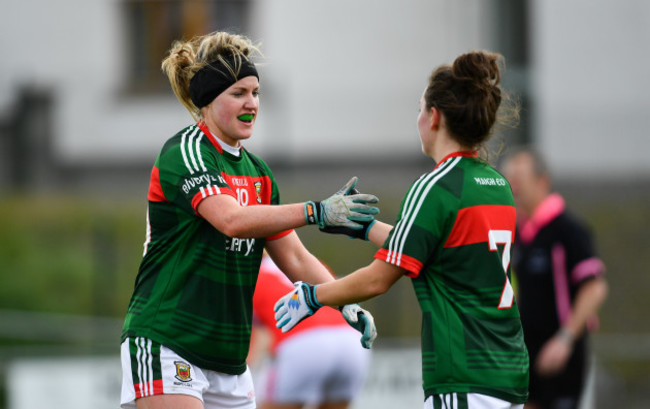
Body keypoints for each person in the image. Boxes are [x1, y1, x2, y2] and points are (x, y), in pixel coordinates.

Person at [119, 31, 379, 409]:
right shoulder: (186, 151)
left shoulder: (259, 172)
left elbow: (295, 258)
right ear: (207, 100)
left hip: (229, 360)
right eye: (238, 94)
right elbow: (231, 220)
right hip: (168, 340)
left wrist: (345, 302)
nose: (252, 103)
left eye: (255, 93)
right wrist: (316, 211)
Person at [274, 50, 529, 409]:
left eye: (420, 109)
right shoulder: (496, 184)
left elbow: (377, 280)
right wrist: (367, 229)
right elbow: (444, 251)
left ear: (435, 117)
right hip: (509, 371)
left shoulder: (435, 186)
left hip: (464, 376)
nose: (418, 119)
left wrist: (315, 296)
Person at [501, 148, 608, 409]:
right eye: (510, 179)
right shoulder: (518, 232)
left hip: (562, 354)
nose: (514, 185)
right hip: (528, 353)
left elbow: (595, 287)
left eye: (520, 178)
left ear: (542, 181)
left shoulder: (568, 229)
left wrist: (565, 339)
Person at [249, 254, 370, 409]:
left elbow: (253, 342)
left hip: (302, 343)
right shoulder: (311, 261)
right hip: (351, 339)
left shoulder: (249, 273)